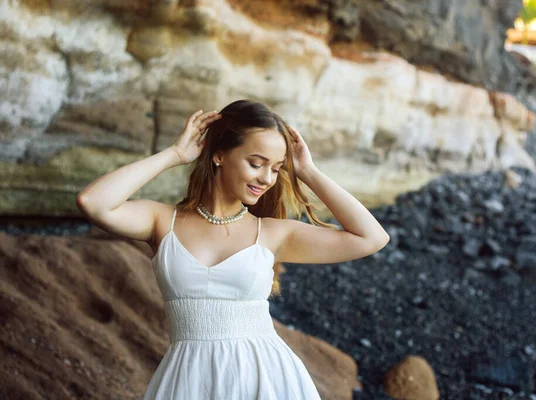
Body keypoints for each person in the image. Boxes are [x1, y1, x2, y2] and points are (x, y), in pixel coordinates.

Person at [76, 99, 390, 399]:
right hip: (188, 380)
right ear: (220, 155)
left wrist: (307, 171)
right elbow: (93, 202)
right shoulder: (162, 221)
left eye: (276, 168)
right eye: (257, 163)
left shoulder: (271, 233)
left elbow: (371, 238)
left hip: (265, 379)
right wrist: (173, 154)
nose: (267, 178)